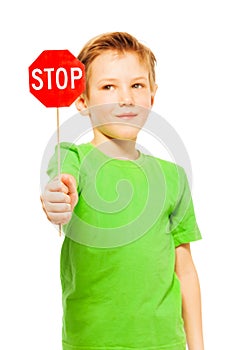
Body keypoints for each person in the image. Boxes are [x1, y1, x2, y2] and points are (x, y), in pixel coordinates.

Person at [41, 32, 204, 350]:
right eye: (108, 86)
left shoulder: (173, 177)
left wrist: (197, 346)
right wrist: (57, 199)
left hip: (164, 342)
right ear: (83, 100)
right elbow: (61, 185)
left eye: (137, 85)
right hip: (91, 342)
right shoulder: (71, 158)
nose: (126, 98)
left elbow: (184, 269)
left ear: (152, 96)